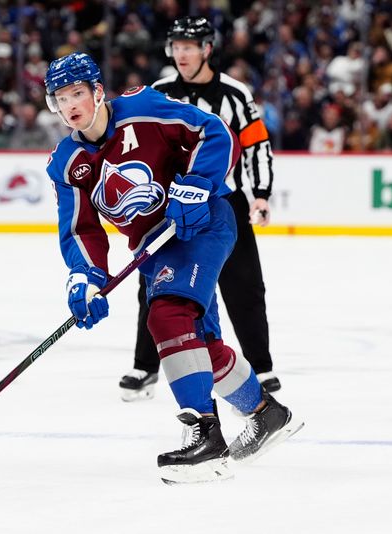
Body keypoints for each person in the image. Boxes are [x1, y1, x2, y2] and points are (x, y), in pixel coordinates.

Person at [44, 52, 302, 483]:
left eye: (77, 93)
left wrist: (196, 184)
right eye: (60, 97)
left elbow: (213, 131)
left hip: (202, 223)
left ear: (97, 92)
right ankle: (266, 413)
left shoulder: (142, 108)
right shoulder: (66, 164)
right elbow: (81, 229)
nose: (70, 104)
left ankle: (205, 436)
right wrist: (85, 278)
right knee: (200, 343)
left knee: (166, 316)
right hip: (157, 248)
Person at [119, 16, 282, 403]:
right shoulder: (158, 91)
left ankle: (260, 366)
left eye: (188, 47)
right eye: (175, 47)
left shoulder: (234, 93)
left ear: (207, 49)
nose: (181, 54)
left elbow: (256, 144)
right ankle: (146, 366)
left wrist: (260, 194)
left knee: (244, 284)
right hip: (170, 204)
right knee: (156, 283)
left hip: (224, 200)